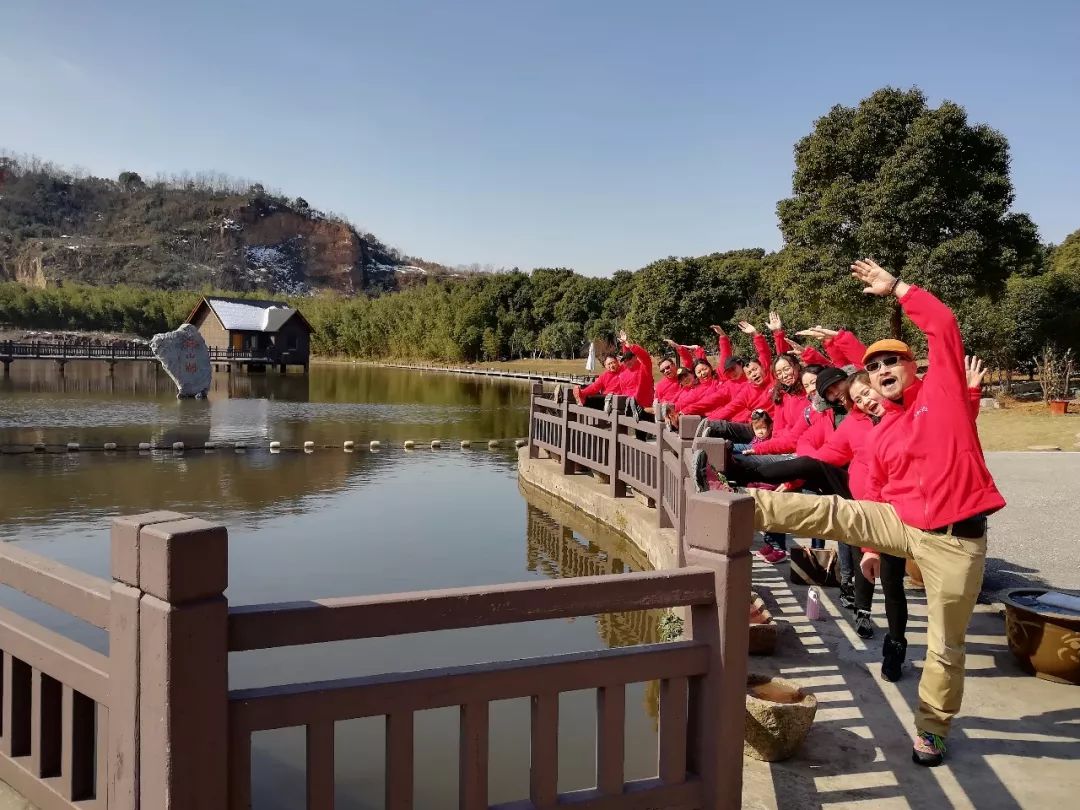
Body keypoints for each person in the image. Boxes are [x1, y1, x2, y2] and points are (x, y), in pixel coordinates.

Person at [743, 258, 1004, 767]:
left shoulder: (943, 395)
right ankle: (740, 506)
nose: (883, 371)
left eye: (894, 363)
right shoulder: (882, 431)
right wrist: (868, 548)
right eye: (875, 366)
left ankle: (931, 728)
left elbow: (944, 325)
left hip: (957, 541)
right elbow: (873, 492)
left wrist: (898, 289)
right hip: (902, 523)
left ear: (914, 369)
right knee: (834, 512)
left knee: (946, 646)